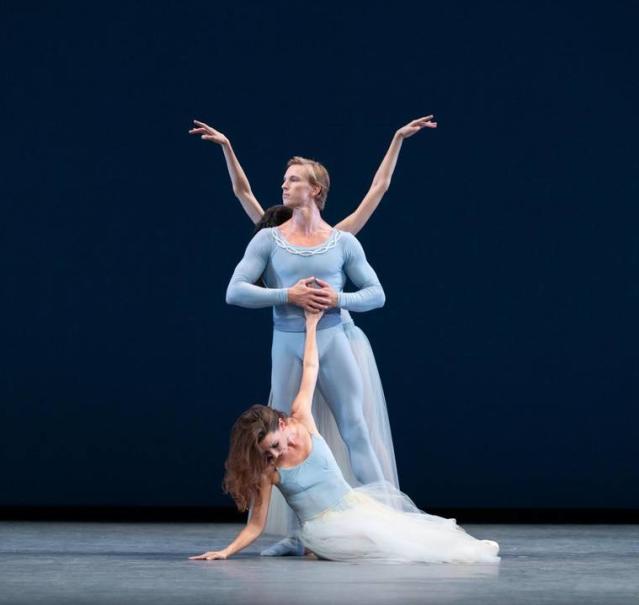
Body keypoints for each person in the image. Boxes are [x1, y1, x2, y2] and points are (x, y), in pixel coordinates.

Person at [190, 117, 435, 546]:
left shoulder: (340, 240)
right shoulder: (270, 237)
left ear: (315, 189)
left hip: (335, 338)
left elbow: (377, 287)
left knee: (355, 427)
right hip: (287, 343)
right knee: (280, 440)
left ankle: (391, 522)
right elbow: (236, 285)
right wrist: (288, 295)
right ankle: (306, 532)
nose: (283, 186)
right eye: (284, 180)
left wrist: (336, 300)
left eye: (293, 180)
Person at [189, 310, 500, 563]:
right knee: (389, 549)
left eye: (273, 447)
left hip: (355, 505)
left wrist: (311, 326)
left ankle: (462, 550)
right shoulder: (269, 473)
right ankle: (310, 546)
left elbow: (310, 366)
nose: (273, 455)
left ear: (282, 425)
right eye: (267, 454)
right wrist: (225, 552)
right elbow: (256, 524)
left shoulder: (302, 419)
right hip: (325, 530)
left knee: (405, 530)